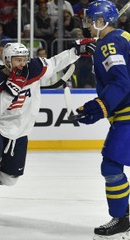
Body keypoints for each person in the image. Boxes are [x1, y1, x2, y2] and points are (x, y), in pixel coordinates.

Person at [0, 40, 96, 218]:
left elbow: (55, 62)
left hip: (19, 130)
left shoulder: (34, 67)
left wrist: (77, 51)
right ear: (7, 60)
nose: (23, 64)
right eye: (18, 60)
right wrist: (10, 90)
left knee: (10, 180)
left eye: (24, 59)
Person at [75, 1, 130, 239]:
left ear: (101, 21)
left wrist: (101, 105)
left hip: (128, 115)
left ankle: (121, 218)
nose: (87, 25)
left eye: (90, 20)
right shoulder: (119, 38)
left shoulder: (110, 43)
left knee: (111, 165)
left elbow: (120, 81)